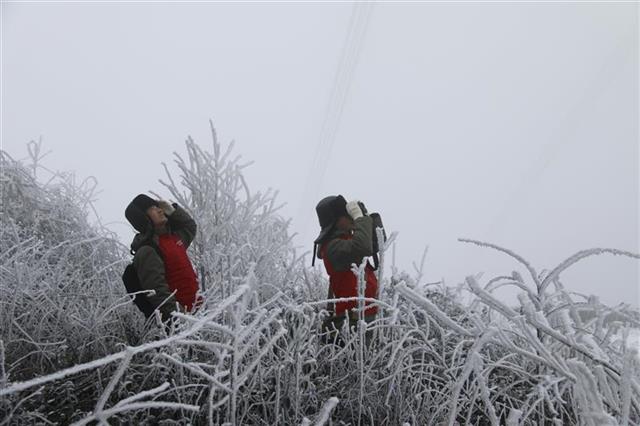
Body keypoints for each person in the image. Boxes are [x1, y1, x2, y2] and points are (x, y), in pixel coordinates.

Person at [313, 195, 379, 343]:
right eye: (346, 215)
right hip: (352, 321)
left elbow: (376, 244)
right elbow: (363, 246)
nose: (351, 218)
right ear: (336, 222)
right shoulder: (332, 247)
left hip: (365, 317)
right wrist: (359, 219)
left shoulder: (347, 241)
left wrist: (364, 217)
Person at [125, 194, 201, 321]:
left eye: (157, 206)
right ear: (143, 218)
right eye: (153, 209)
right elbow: (158, 293)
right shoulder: (148, 250)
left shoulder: (174, 239)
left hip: (200, 314)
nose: (160, 210)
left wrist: (172, 210)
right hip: (184, 322)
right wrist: (182, 319)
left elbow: (190, 226)